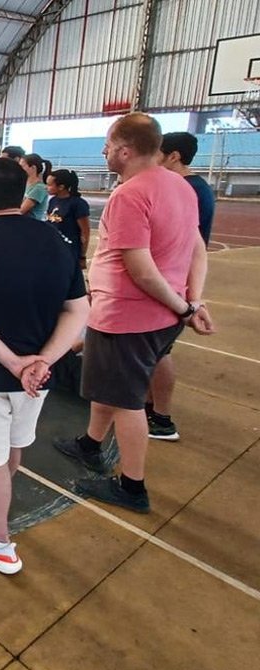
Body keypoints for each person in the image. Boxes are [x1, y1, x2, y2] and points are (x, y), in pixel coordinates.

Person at [53, 113, 215, 513]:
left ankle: (132, 486)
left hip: (129, 317)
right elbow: (197, 249)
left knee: (127, 401)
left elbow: (140, 269)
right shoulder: (180, 186)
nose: (104, 151)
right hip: (158, 316)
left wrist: (185, 307)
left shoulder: (130, 195)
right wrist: (192, 301)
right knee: (112, 386)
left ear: (125, 151)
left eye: (108, 145)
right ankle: (91, 444)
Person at [0, 157, 89, 575]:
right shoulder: (56, 240)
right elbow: (78, 310)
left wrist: (14, 362)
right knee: (13, 444)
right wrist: (42, 362)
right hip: (37, 379)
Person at [142, 132, 217, 440]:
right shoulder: (190, 187)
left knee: (159, 353)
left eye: (157, 152)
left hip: (171, 286)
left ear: (173, 156)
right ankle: (149, 407)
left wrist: (192, 301)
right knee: (152, 353)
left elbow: (196, 247)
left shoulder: (187, 189)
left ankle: (161, 418)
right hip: (170, 285)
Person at [46, 169, 91, 269]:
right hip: (54, 247)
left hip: (70, 249)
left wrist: (82, 256)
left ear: (61, 187)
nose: (46, 187)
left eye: (49, 185)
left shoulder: (78, 204)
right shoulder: (53, 200)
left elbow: (85, 232)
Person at [19, 153, 51, 221]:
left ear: (33, 168)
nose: (19, 169)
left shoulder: (39, 188)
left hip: (31, 224)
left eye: (22, 166)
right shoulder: (23, 184)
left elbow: (21, 210)